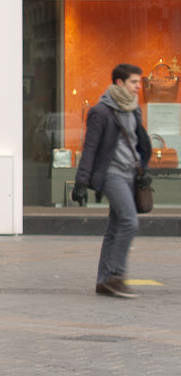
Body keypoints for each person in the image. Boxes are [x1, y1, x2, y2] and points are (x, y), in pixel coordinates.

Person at [73, 64, 153, 299]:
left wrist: (143, 169)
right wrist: (81, 183)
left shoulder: (133, 109)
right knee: (130, 221)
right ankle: (116, 276)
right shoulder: (101, 111)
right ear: (119, 83)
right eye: (134, 82)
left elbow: (139, 143)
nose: (139, 86)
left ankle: (104, 281)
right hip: (111, 174)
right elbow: (90, 149)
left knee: (115, 227)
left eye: (139, 82)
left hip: (130, 174)